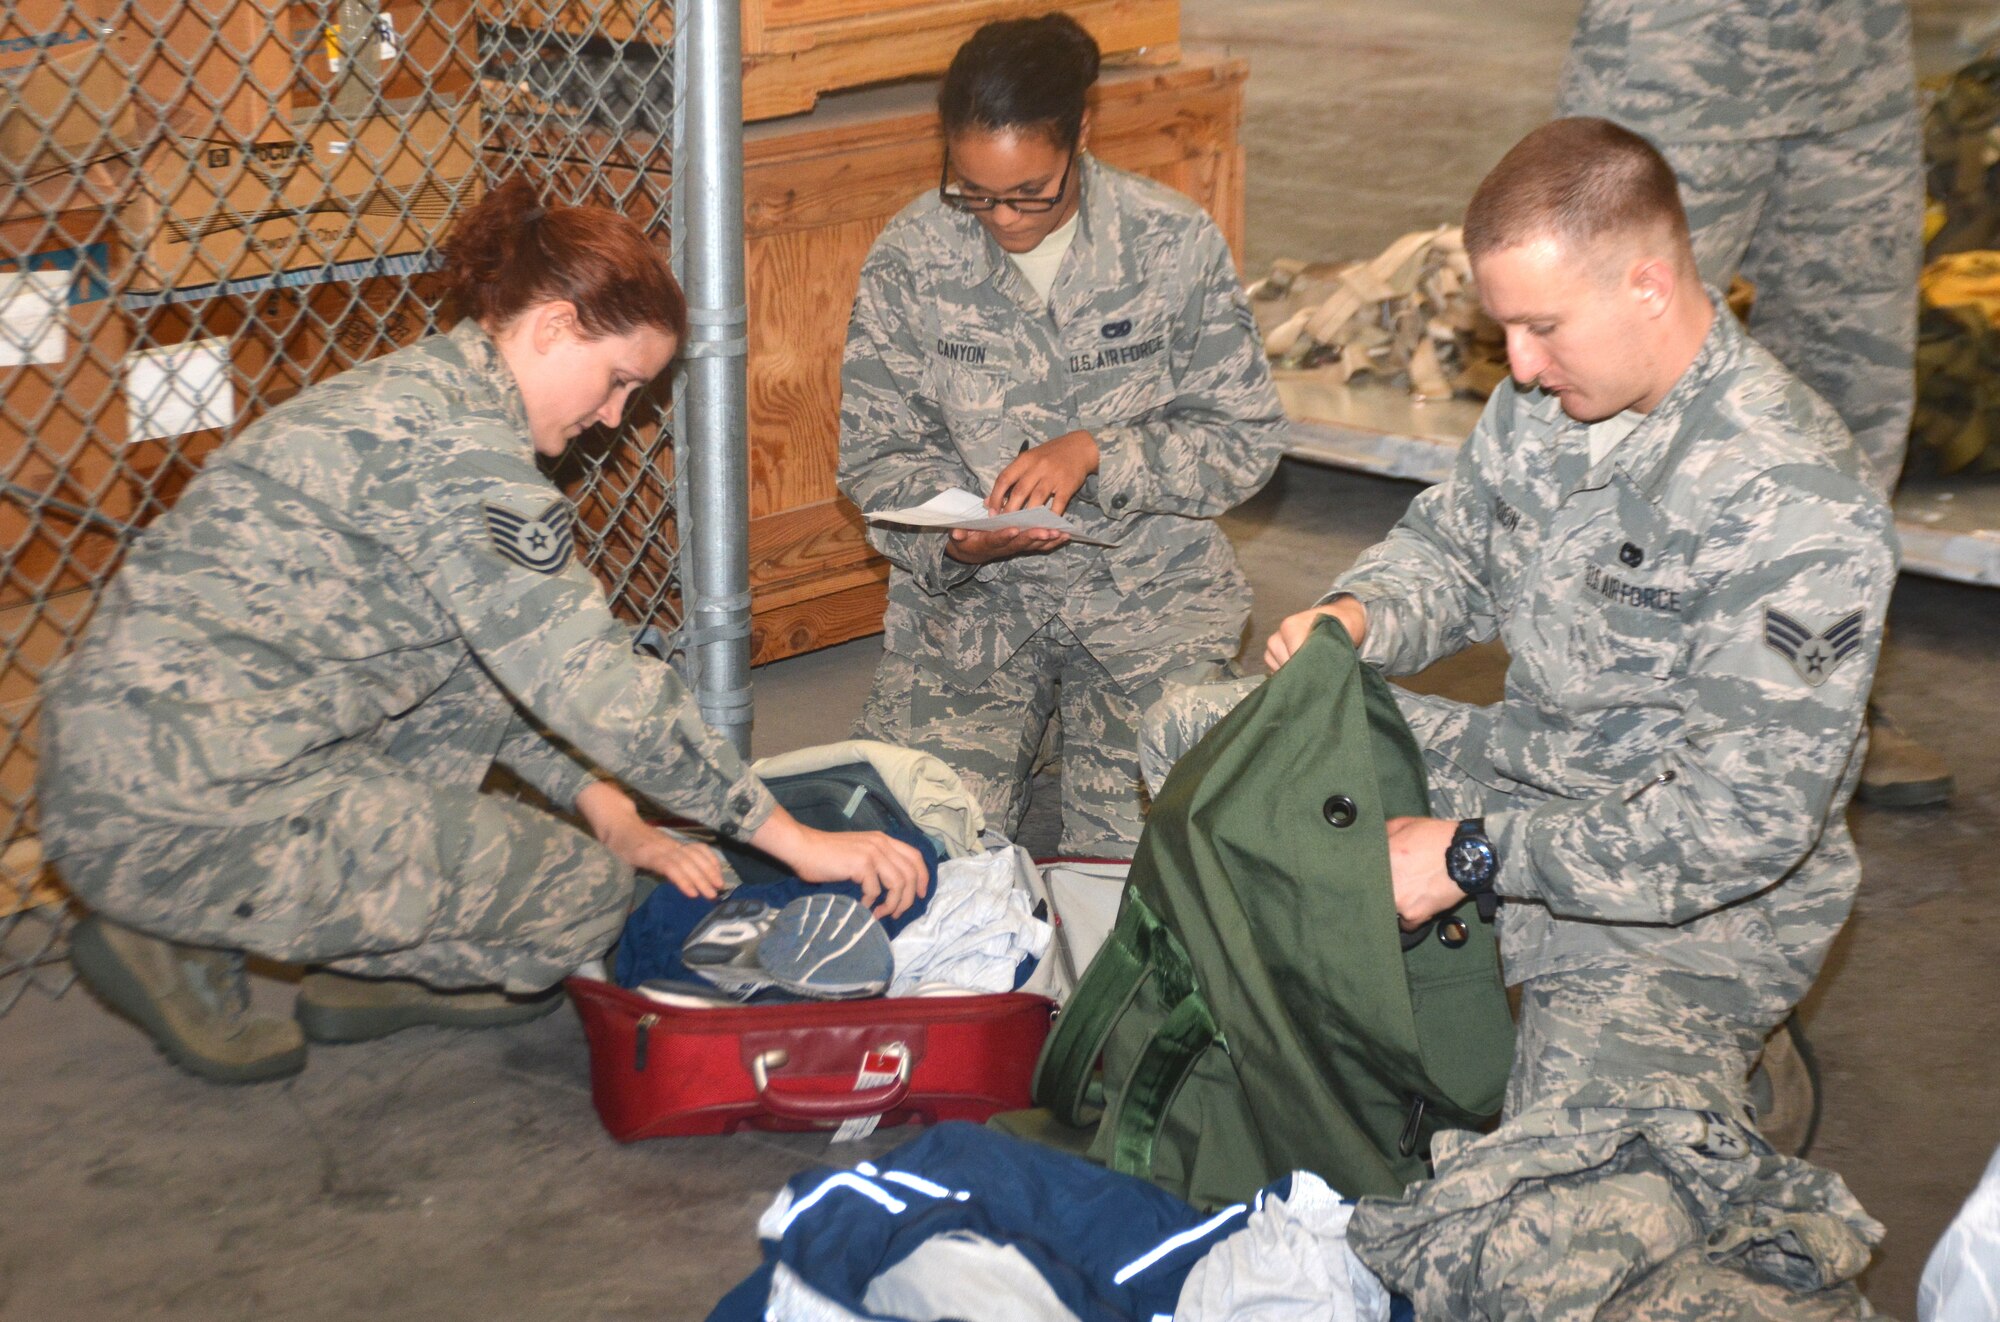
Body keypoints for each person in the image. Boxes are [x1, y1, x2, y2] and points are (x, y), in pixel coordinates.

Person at [1147, 118, 1897, 1313]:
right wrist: (1355, 617)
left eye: (1541, 326)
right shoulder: (1546, 403)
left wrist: (1469, 853)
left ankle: (1693, 1100)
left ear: (1648, 282)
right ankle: (1361, 1051)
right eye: (1504, 327)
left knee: (1538, 1255)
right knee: (1199, 729)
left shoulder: (1792, 498)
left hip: (1674, 910)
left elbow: (1734, 825)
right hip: (1522, 768)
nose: (1519, 360)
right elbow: (1453, 544)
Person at [37, 178, 927, 1084]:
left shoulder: (424, 392)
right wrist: (786, 835)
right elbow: (594, 683)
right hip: (167, 814)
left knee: (462, 684)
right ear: (552, 326)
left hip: (144, 764)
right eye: (618, 380)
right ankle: (166, 929)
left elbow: (492, 674)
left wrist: (612, 812)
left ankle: (353, 959)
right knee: (577, 898)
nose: (616, 415)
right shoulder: (468, 462)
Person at [837, 13, 1287, 859]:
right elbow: (876, 450)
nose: (1002, 218)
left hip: (1147, 608)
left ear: (1081, 133)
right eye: (973, 193)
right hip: (971, 618)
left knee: (1143, 879)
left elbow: (1244, 438)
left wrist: (1099, 452)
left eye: (1029, 192)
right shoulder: (913, 251)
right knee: (912, 855)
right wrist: (959, 546)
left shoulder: (1169, 241)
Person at [1556, 0, 1951, 809]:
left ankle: (1810, 692)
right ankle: (1602, 707)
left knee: (1852, 383)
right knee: (1612, 361)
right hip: (1684, 44)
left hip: (1855, 48)